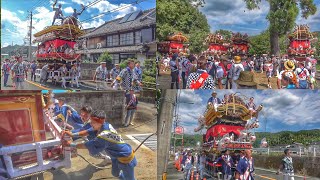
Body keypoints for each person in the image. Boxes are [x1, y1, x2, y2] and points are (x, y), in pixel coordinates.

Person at [62, 110, 137, 180]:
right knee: (115, 173)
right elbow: (87, 131)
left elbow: (87, 145)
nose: (91, 124)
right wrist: (72, 134)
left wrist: (71, 144)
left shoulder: (104, 135)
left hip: (126, 158)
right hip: (115, 156)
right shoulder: (104, 125)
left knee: (130, 178)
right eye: (91, 121)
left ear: (101, 122)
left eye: (93, 122)